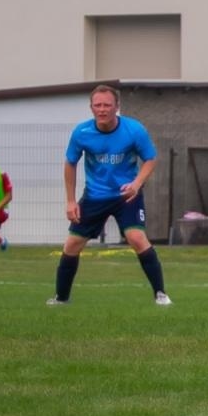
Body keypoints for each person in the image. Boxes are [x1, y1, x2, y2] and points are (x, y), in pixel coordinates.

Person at [49, 84, 169, 307]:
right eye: (98, 105)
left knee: (136, 238)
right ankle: (61, 299)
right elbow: (70, 163)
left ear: (117, 107)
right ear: (91, 108)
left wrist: (136, 184)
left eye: (107, 105)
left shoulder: (134, 130)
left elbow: (150, 159)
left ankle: (161, 294)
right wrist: (70, 200)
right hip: (95, 196)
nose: (102, 109)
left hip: (127, 196)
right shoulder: (81, 133)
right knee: (72, 244)